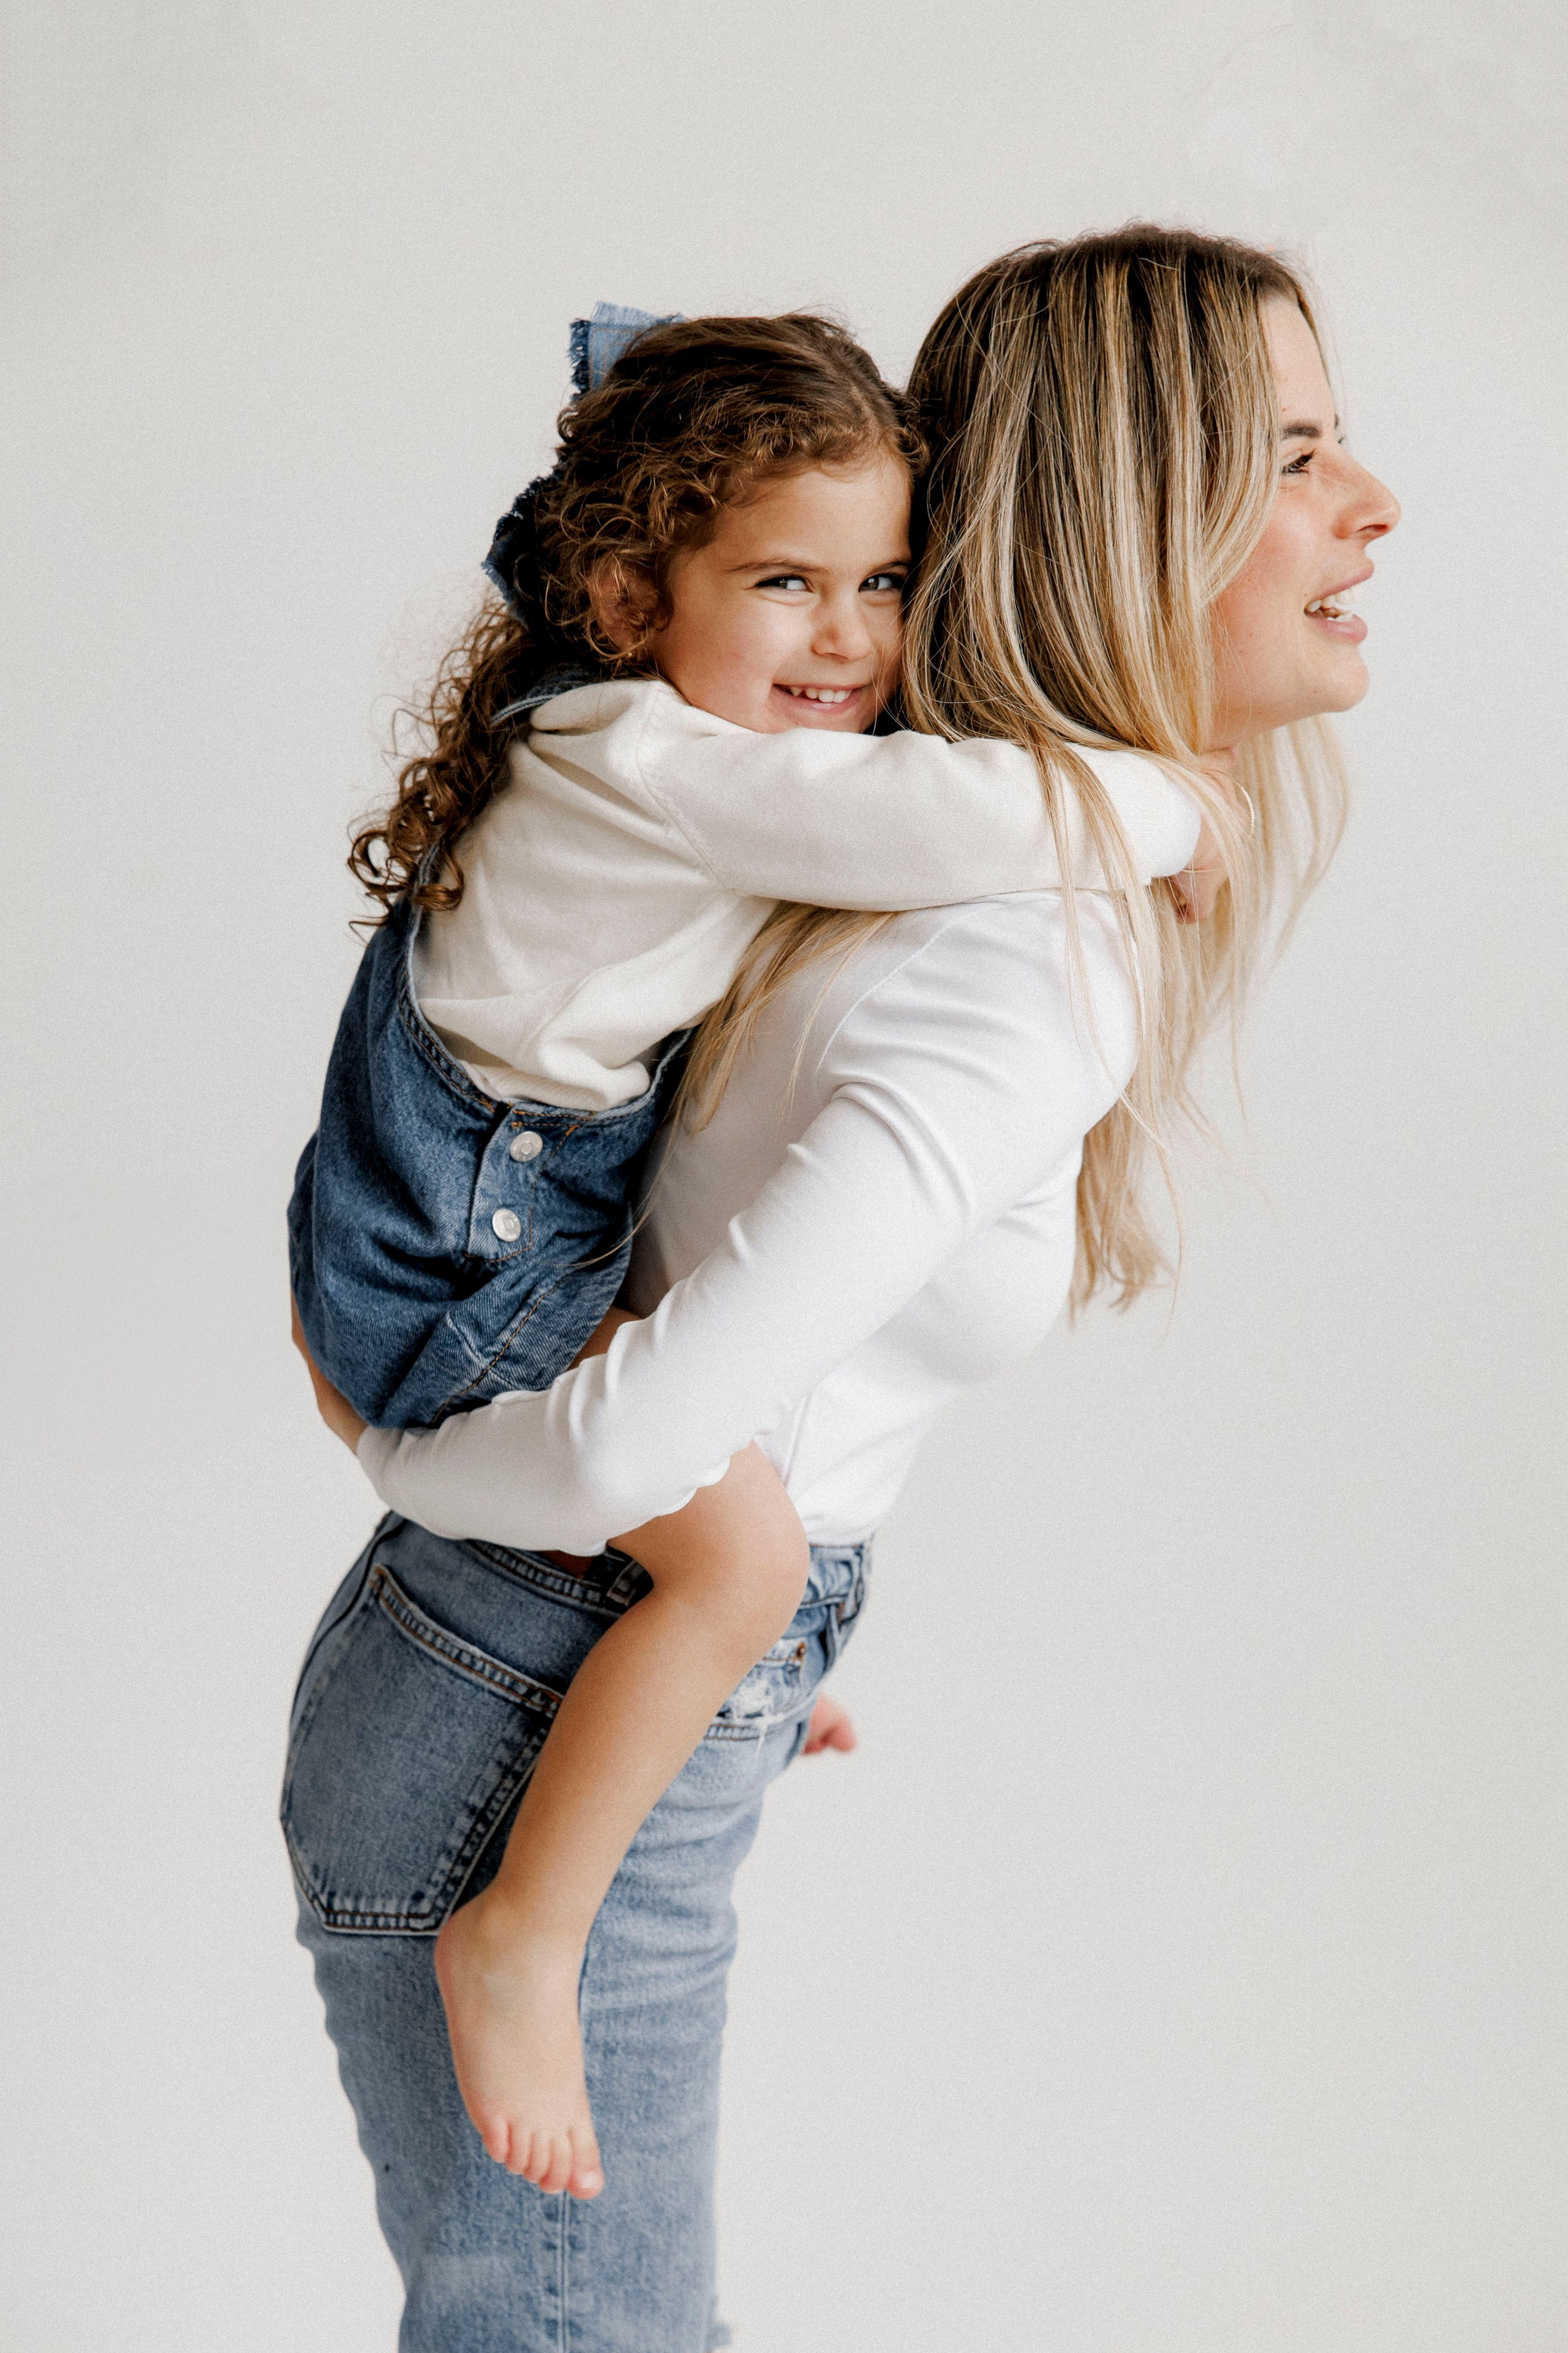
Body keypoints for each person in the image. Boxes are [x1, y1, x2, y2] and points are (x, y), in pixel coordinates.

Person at [289, 229, 1398, 2353]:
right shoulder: (1015, 939)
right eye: (1296, 456)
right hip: (541, 1676)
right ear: (1127, 516)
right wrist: (487, 1485)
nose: (1374, 503)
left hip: (545, 1666)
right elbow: (633, 1436)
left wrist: (751, 1643)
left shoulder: (890, 858)